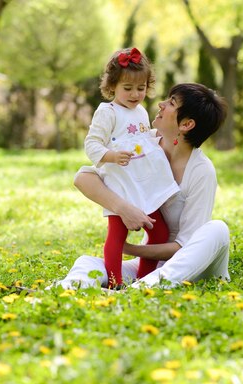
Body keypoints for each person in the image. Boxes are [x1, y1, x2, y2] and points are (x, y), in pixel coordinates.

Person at [47, 82, 230, 291]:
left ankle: (134, 292)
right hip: (151, 267)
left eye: (171, 102)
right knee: (87, 263)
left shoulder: (201, 171)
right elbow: (83, 178)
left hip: (192, 267)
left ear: (186, 124)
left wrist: (129, 248)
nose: (160, 104)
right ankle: (61, 292)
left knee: (218, 229)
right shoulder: (143, 144)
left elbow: (183, 247)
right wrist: (124, 209)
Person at [84, 47, 180, 289]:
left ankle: (143, 278)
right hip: (120, 185)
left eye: (141, 88)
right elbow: (92, 143)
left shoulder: (140, 111)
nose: (135, 94)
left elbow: (139, 138)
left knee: (159, 233)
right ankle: (115, 283)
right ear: (112, 86)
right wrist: (111, 155)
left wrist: (154, 135)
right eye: (127, 88)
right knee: (117, 235)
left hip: (144, 183)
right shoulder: (108, 112)